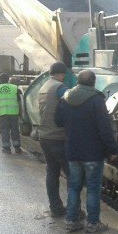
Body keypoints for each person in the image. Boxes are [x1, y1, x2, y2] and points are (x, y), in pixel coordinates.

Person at [55, 70, 118, 233]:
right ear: (93, 82)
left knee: (74, 187)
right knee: (93, 188)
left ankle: (71, 220)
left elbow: (58, 121)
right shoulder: (96, 99)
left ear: (78, 81)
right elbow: (105, 129)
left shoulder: (66, 97)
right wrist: (112, 149)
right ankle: (92, 223)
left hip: (72, 150)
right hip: (93, 153)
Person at [38, 62, 70, 217]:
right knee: (72, 175)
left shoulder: (44, 87)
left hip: (44, 136)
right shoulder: (60, 87)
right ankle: (74, 210)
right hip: (58, 137)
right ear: (62, 73)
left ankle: (56, 208)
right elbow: (72, 105)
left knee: (52, 172)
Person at [0, 73, 22, 154]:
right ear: (8, 79)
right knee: (15, 130)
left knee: (4, 131)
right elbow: (19, 102)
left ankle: (6, 149)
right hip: (14, 113)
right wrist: (20, 113)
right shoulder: (15, 88)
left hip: (2, 114)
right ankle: (17, 148)